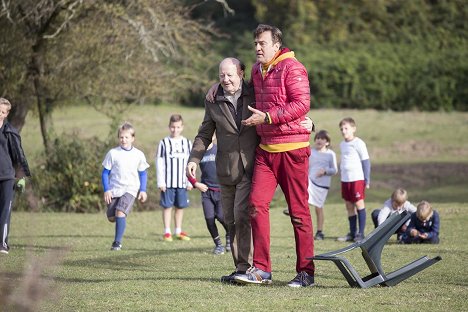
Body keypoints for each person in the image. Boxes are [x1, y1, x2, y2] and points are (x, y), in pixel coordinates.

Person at [233, 24, 315, 287]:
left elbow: (302, 104)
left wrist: (268, 117)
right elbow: (243, 91)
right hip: (265, 151)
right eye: (255, 43)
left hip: (293, 151)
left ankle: (306, 273)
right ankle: (262, 270)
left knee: (298, 213)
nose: (257, 48)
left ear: (277, 46)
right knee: (256, 205)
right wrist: (217, 92)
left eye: (262, 44)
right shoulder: (257, 70)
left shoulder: (293, 68)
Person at [187, 57, 258, 283]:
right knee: (230, 219)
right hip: (225, 170)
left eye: (230, 75)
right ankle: (240, 268)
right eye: (221, 76)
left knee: (241, 214)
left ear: (241, 74)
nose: (225, 79)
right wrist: (194, 158)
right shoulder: (213, 99)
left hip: (251, 166)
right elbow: (205, 132)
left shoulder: (255, 93)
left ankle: (248, 267)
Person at [101, 122, 150, 251]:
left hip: (131, 189)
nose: (124, 140)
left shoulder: (138, 155)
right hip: (115, 189)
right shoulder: (112, 153)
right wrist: (107, 190)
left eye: (127, 137)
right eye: (121, 137)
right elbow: (105, 173)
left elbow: (143, 173)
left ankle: (117, 243)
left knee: (120, 212)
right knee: (112, 217)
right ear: (118, 138)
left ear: (133, 138)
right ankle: (119, 223)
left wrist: (143, 190)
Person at [284, 130, 338, 241]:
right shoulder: (311, 152)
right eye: (317, 138)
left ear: (327, 142)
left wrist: (325, 171)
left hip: (322, 186)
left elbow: (335, 170)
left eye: (322, 139)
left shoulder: (330, 154)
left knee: (319, 208)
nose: (319, 140)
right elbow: (305, 165)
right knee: (301, 193)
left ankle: (319, 232)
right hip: (309, 182)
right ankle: (293, 209)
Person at [187, 134, 230, 255]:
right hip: (206, 191)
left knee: (222, 217)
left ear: (215, 136)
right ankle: (218, 245)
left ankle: (229, 234)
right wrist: (196, 184)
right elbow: (189, 172)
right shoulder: (197, 153)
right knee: (209, 219)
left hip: (221, 191)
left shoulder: (219, 150)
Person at [0, 98, 31, 255]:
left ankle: (2, 243)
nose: (0, 114)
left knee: (5, 210)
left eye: (3, 112)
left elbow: (18, 155)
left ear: (6, 114)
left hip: (7, 177)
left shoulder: (10, 131)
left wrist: (22, 177)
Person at [156, 114, 193, 242]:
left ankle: (178, 231)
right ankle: (167, 232)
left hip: (182, 182)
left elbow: (190, 163)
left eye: (178, 127)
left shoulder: (187, 143)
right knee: (167, 207)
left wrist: (190, 181)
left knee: (180, 206)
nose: (175, 130)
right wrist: (161, 181)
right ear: (169, 127)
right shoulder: (164, 143)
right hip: (168, 182)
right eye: (173, 127)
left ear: (182, 127)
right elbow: (159, 163)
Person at [337, 117, 371, 243]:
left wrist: (367, 179)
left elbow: (366, 162)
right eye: (341, 129)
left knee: (359, 204)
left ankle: (360, 234)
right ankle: (352, 233)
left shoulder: (359, 143)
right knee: (349, 205)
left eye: (346, 128)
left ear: (353, 129)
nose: (344, 131)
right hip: (345, 180)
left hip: (357, 179)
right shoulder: (342, 144)